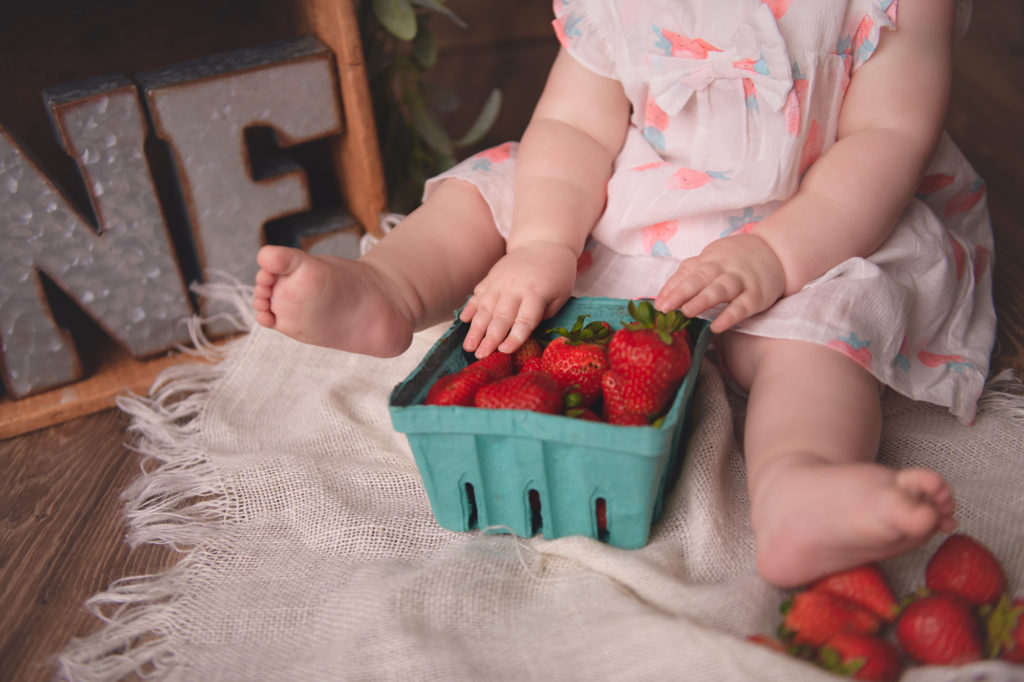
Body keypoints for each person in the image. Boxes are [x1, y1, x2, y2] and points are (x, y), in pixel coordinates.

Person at [252, 0, 994, 587]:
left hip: (817, 220)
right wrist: (544, 241)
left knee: (822, 329)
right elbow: (574, 126)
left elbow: (887, 139)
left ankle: (799, 482)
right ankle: (391, 288)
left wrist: (773, 253)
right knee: (500, 184)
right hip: (635, 201)